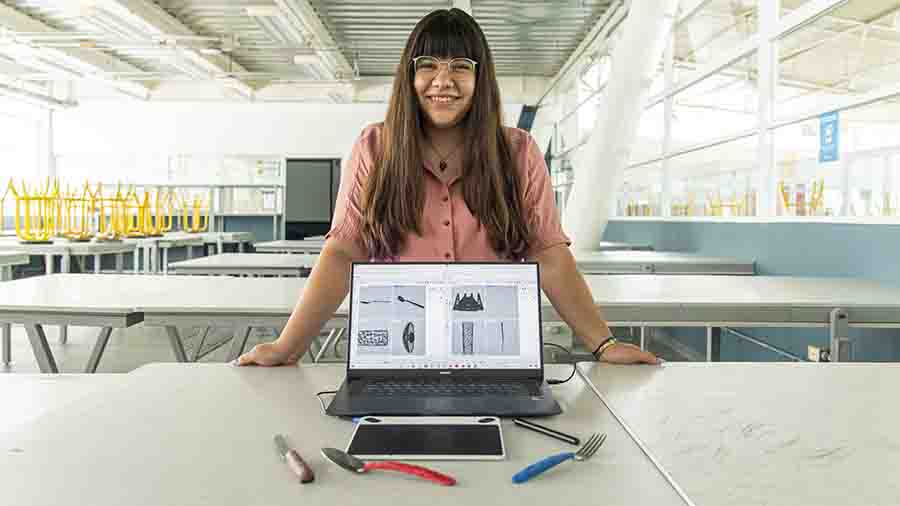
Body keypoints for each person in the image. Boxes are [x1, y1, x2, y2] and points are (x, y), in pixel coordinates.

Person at [238, 8, 659, 367]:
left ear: (481, 79)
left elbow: (548, 254)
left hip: (497, 355)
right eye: (429, 65)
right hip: (397, 355)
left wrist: (603, 344)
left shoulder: (518, 152)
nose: (444, 80)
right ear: (410, 75)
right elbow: (344, 251)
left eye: (461, 66)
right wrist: (286, 346)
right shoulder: (374, 147)